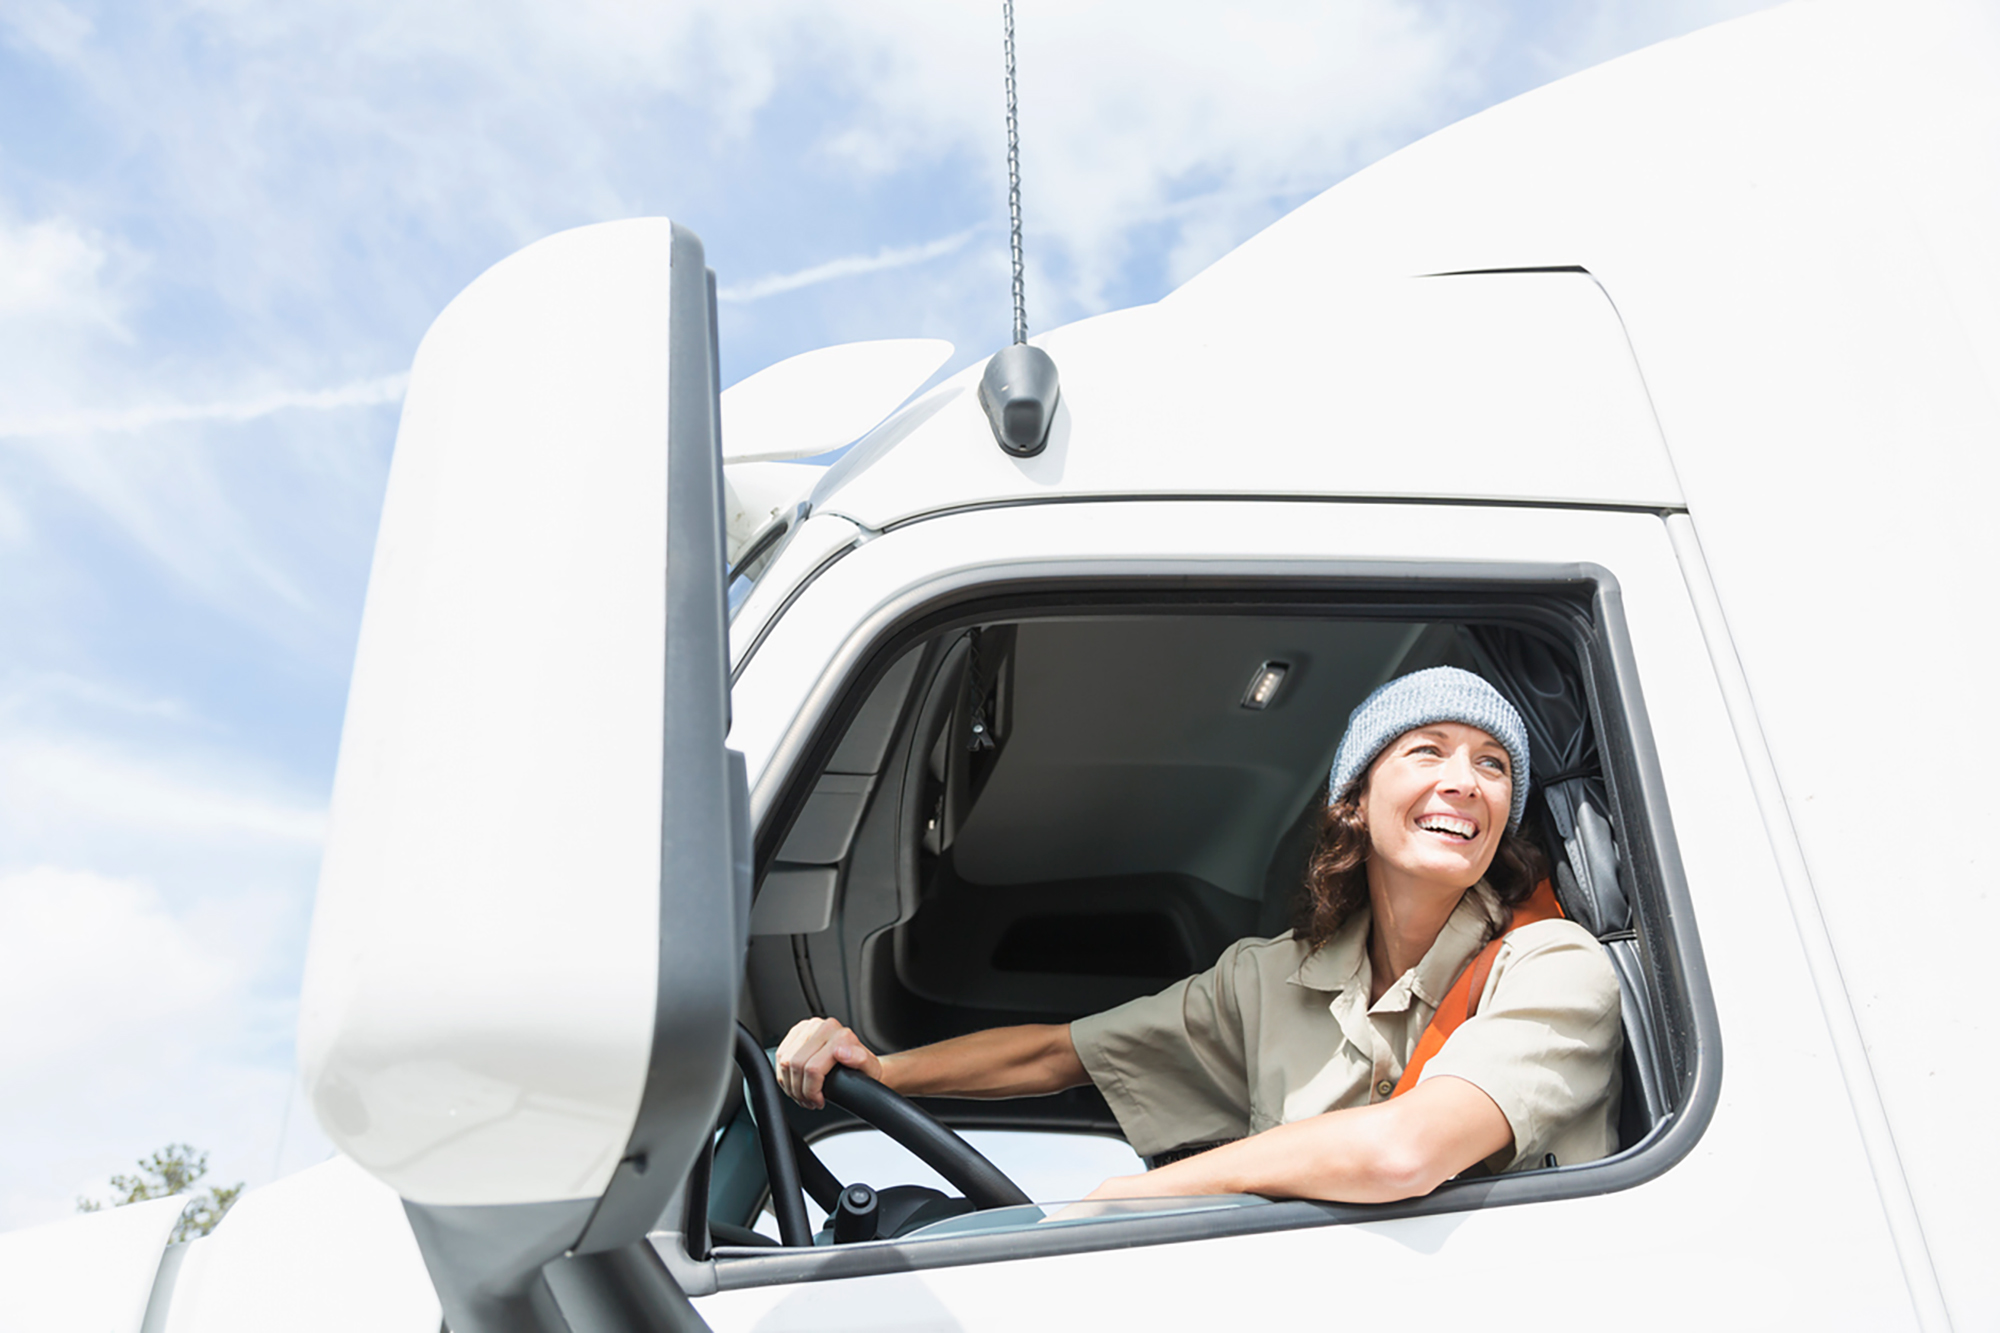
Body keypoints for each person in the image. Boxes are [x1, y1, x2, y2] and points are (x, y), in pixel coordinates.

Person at [776, 666, 1623, 1204]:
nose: (1463, 782)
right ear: (1355, 802)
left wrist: (1133, 1199)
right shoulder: (1267, 980)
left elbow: (1406, 1152)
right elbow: (1059, 1054)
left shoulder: (1555, 968)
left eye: (1493, 764)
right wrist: (881, 1071)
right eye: (1428, 750)